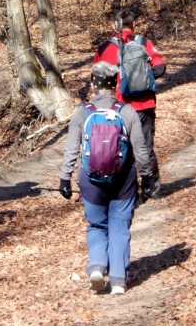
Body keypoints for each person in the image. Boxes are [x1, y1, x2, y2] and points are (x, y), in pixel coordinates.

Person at [59, 62, 160, 295]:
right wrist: (148, 177)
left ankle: (96, 266)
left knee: (97, 225)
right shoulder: (126, 111)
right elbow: (141, 150)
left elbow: (72, 149)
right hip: (123, 182)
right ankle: (117, 280)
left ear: (93, 84)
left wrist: (65, 179)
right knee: (119, 227)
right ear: (115, 84)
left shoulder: (82, 112)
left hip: (90, 182)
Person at [93, 9, 166, 181]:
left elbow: (96, 78)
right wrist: (143, 78)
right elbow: (160, 68)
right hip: (145, 105)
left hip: (118, 107)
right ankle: (151, 189)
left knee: (121, 148)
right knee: (145, 147)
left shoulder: (104, 48)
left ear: (113, 25)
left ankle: (128, 192)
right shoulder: (143, 42)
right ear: (133, 24)